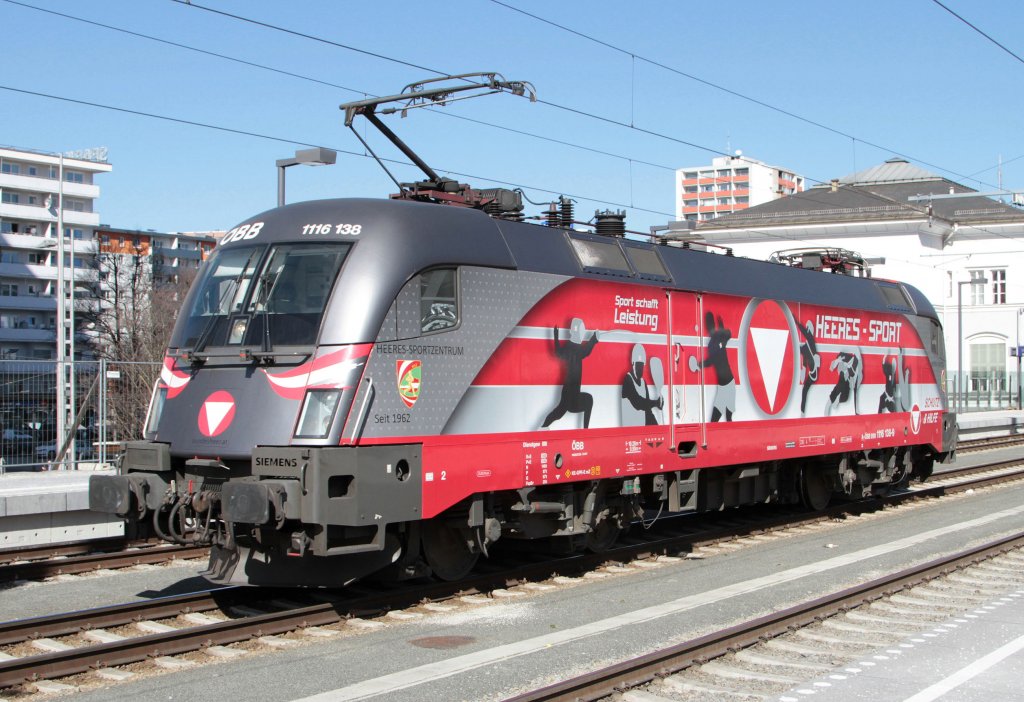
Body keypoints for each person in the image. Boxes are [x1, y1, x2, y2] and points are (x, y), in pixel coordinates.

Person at [542, 318, 601, 429]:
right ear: (579, 332)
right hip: (573, 395)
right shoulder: (576, 349)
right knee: (588, 400)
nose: (583, 334)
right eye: (582, 331)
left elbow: (558, 352)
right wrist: (594, 339)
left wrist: (556, 336)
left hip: (567, 392)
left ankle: (543, 427)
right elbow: (586, 351)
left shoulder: (569, 347)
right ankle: (585, 432)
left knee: (558, 413)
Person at [621, 344, 663, 426]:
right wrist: (655, 403)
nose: (640, 368)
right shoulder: (627, 379)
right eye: (638, 364)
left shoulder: (643, 382)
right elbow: (638, 403)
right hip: (630, 429)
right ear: (633, 363)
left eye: (642, 365)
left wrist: (657, 428)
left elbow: (648, 411)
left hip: (641, 429)